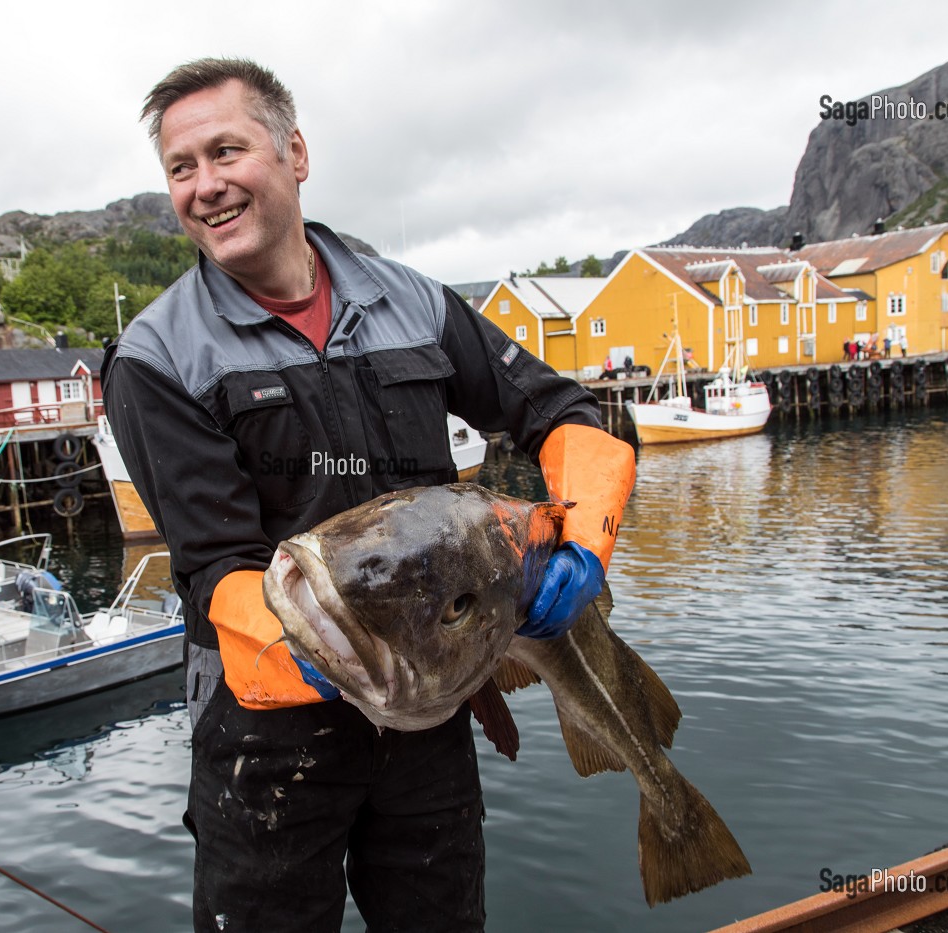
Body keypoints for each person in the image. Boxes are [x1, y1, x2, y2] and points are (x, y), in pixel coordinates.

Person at [104, 58, 635, 933]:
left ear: (295, 152)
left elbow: (560, 409)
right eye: (181, 168)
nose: (205, 186)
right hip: (266, 738)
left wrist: (580, 548)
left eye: (225, 151)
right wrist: (319, 651)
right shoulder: (158, 359)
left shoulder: (413, 303)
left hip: (429, 701)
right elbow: (213, 566)